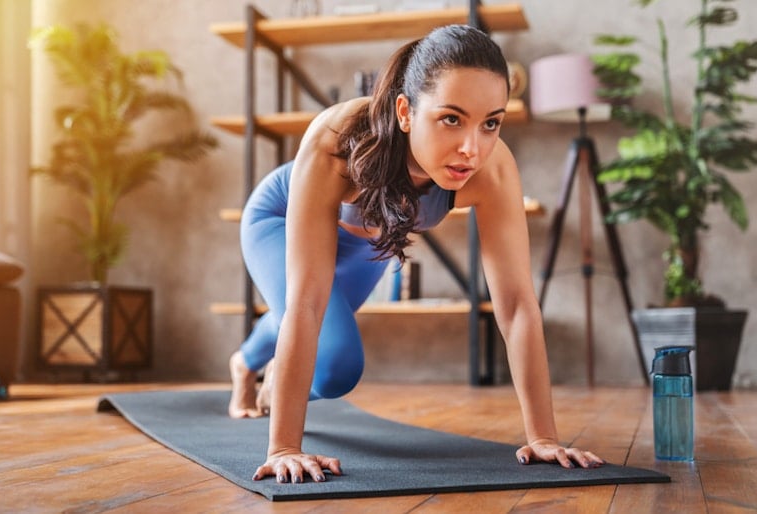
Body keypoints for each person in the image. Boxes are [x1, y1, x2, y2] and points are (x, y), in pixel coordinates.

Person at [228, 24, 605, 484]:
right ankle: (250, 363)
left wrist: (543, 437)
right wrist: (285, 447)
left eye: (491, 122)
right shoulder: (337, 138)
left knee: (328, 357)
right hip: (279, 221)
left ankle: (250, 361)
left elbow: (517, 306)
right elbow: (307, 303)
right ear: (405, 111)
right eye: (451, 118)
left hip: (370, 239)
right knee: (336, 366)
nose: (472, 148)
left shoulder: (492, 168)